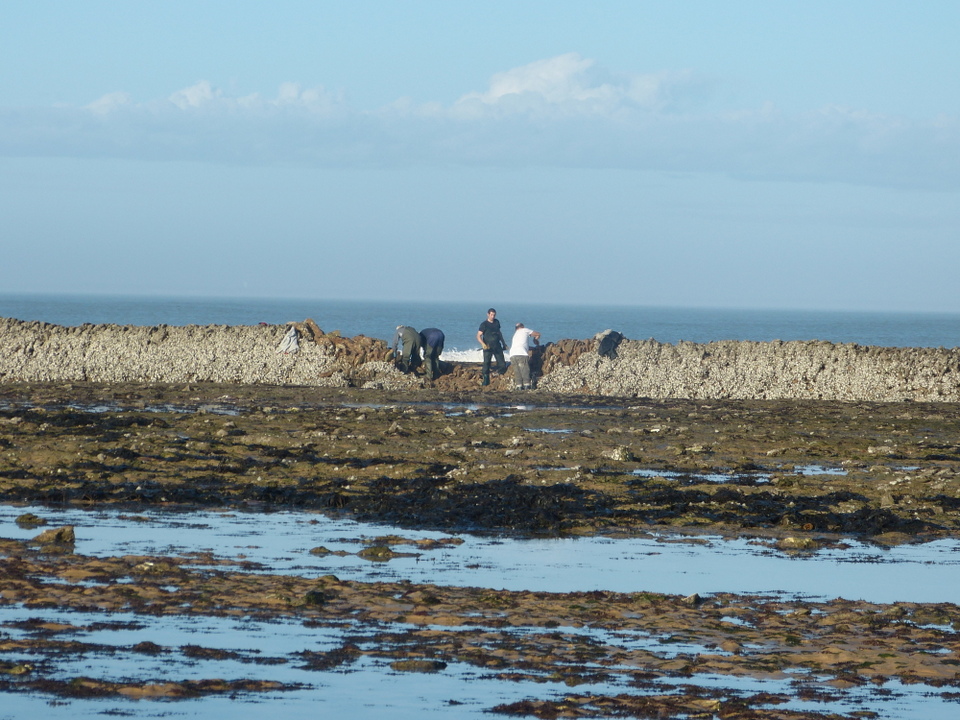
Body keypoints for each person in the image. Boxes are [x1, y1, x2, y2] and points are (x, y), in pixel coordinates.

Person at [477, 308, 507, 386]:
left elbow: (499, 333)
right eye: (491, 315)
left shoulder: (497, 322)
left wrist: (504, 343)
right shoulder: (484, 324)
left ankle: (498, 376)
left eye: (494, 315)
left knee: (502, 363)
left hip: (497, 345)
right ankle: (486, 380)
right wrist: (483, 344)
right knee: (487, 363)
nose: (493, 316)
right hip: (488, 347)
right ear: (488, 314)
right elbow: (478, 336)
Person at [508, 322, 541, 389]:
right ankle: (526, 385)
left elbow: (521, 344)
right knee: (525, 370)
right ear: (522, 327)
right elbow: (537, 334)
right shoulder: (525, 330)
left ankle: (519, 386)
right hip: (521, 353)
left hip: (512, 354)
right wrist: (535, 339)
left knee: (517, 371)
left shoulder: (515, 335)